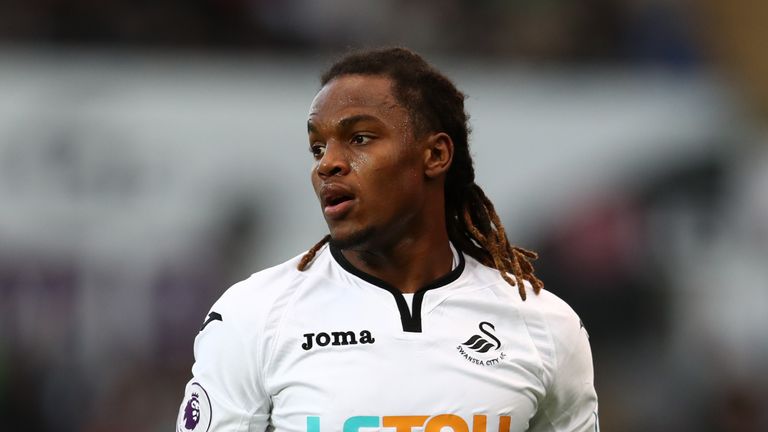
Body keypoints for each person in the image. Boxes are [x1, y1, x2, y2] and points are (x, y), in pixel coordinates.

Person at [176, 47, 599, 432]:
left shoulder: (543, 326)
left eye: (359, 138)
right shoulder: (254, 316)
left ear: (435, 155)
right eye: (318, 148)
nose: (328, 165)